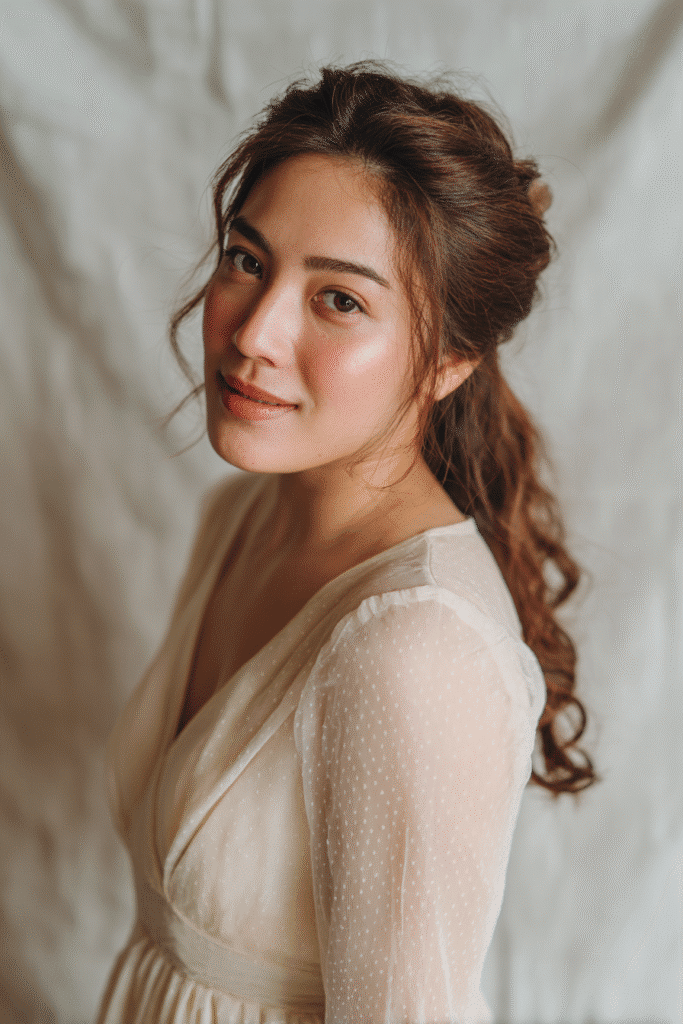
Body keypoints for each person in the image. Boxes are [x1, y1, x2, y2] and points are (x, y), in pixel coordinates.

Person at [96, 61, 597, 1024]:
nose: (253, 336)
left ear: (450, 359)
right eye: (248, 259)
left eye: (338, 300)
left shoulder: (413, 648)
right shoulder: (238, 520)